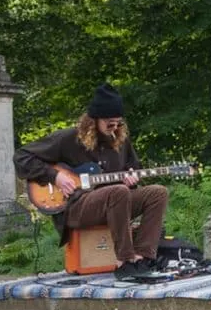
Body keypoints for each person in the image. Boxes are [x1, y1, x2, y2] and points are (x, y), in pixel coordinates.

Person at [14, 83, 169, 278]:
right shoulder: (69, 138)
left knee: (158, 192)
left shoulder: (121, 141)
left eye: (119, 123)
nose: (115, 128)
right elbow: (21, 157)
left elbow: (133, 167)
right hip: (76, 206)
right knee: (118, 191)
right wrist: (56, 176)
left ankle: (144, 256)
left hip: (115, 205)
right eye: (109, 123)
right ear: (94, 120)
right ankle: (125, 260)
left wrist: (132, 177)